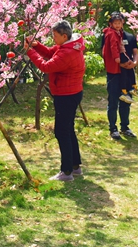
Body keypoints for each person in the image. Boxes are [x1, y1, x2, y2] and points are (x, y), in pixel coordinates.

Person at [25, 20, 86, 181]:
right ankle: (75, 166)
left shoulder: (67, 53)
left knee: (61, 132)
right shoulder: (68, 46)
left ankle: (66, 172)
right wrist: (36, 46)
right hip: (71, 92)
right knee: (68, 130)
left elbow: (46, 66)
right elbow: (50, 53)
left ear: (64, 36)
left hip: (66, 95)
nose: (53, 38)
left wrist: (30, 52)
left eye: (55, 35)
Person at [103, 12, 138, 141]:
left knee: (126, 101)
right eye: (115, 22)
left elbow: (135, 52)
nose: (118, 24)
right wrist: (121, 64)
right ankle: (113, 129)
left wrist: (134, 63)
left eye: (120, 21)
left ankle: (125, 127)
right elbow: (107, 53)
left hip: (128, 73)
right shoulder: (109, 35)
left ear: (123, 22)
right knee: (113, 101)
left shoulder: (129, 36)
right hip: (114, 74)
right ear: (111, 23)